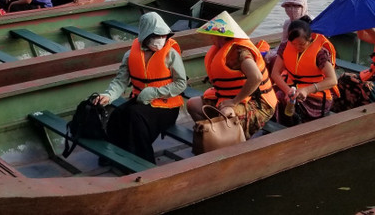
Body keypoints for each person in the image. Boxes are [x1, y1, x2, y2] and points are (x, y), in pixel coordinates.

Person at [93, 12, 187, 163]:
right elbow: (120, 81)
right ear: (146, 35)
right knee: (117, 114)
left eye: (164, 36)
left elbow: (181, 84)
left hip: (167, 105)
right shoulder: (130, 55)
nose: (161, 40)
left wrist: (155, 92)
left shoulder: (171, 54)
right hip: (141, 100)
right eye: (157, 35)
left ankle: (144, 162)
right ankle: (115, 156)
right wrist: (108, 95)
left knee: (135, 115)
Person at [187, 11, 277, 139]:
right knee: (192, 104)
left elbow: (256, 77)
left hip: (257, 102)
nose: (210, 38)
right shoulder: (221, 49)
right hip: (227, 96)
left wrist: (235, 101)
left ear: (222, 36)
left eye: (213, 35)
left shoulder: (241, 53)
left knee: (226, 113)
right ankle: (212, 138)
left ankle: (235, 146)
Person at [269, 20, 338, 125]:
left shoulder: (320, 53)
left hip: (315, 96)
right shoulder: (285, 47)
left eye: (301, 44)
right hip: (291, 88)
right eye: (293, 44)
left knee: (284, 101)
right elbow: (275, 73)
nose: (297, 47)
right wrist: (288, 91)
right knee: (269, 97)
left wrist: (306, 90)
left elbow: (332, 80)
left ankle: (287, 132)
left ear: (309, 39)